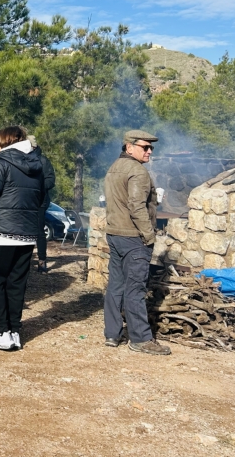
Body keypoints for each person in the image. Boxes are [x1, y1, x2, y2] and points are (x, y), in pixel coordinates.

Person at [0, 126, 44, 351]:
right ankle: (14, 331)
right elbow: (41, 194)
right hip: (27, 234)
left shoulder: (1, 162)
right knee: (16, 283)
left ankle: (0, 331)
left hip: (2, 232)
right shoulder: (37, 164)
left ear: (3, 142)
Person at [103, 130, 170, 355]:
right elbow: (136, 205)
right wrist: (149, 236)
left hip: (114, 234)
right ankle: (140, 339)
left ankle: (112, 334)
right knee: (135, 288)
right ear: (129, 147)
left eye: (151, 148)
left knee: (115, 286)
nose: (149, 151)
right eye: (145, 147)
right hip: (133, 238)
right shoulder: (138, 171)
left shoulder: (113, 168)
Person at [27, 135, 56, 273]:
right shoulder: (22, 159)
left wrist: (37, 186)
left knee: (39, 232)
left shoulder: (43, 161)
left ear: (32, 146)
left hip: (39, 202)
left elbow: (51, 180)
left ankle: (42, 261)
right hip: (24, 201)